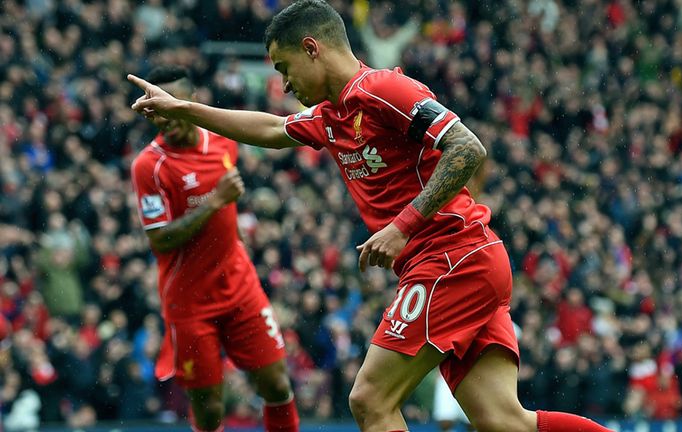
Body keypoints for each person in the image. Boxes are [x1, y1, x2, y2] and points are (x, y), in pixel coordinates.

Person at [127, 2, 613, 431]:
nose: (284, 83)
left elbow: (468, 148)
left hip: (451, 258)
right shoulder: (332, 115)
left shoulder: (381, 89)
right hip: (465, 263)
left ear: (312, 47)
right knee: (505, 422)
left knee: (369, 400)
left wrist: (401, 227)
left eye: (284, 67)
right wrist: (185, 109)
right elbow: (273, 129)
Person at [129, 65, 299, 432]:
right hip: (189, 303)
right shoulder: (149, 166)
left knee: (278, 385)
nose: (165, 115)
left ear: (191, 101)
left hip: (239, 286)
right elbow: (159, 238)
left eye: (172, 103)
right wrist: (213, 202)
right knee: (209, 413)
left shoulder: (223, 140)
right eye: (156, 109)